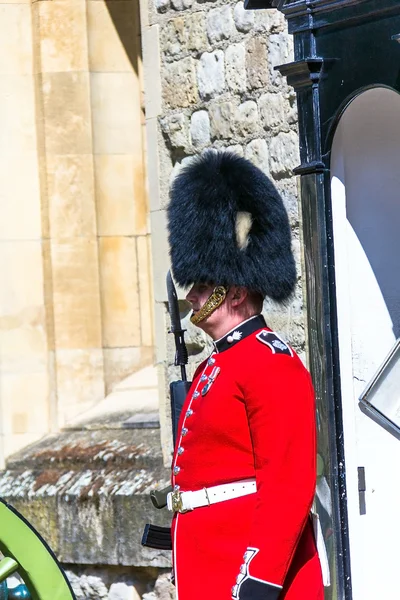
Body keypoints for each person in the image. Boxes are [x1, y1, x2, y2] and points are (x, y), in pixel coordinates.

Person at [166, 150, 324, 600]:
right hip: (207, 563)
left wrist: (261, 577)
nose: (193, 297)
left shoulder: (269, 362)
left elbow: (289, 482)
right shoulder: (214, 366)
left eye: (200, 286)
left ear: (231, 291)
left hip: (244, 571)